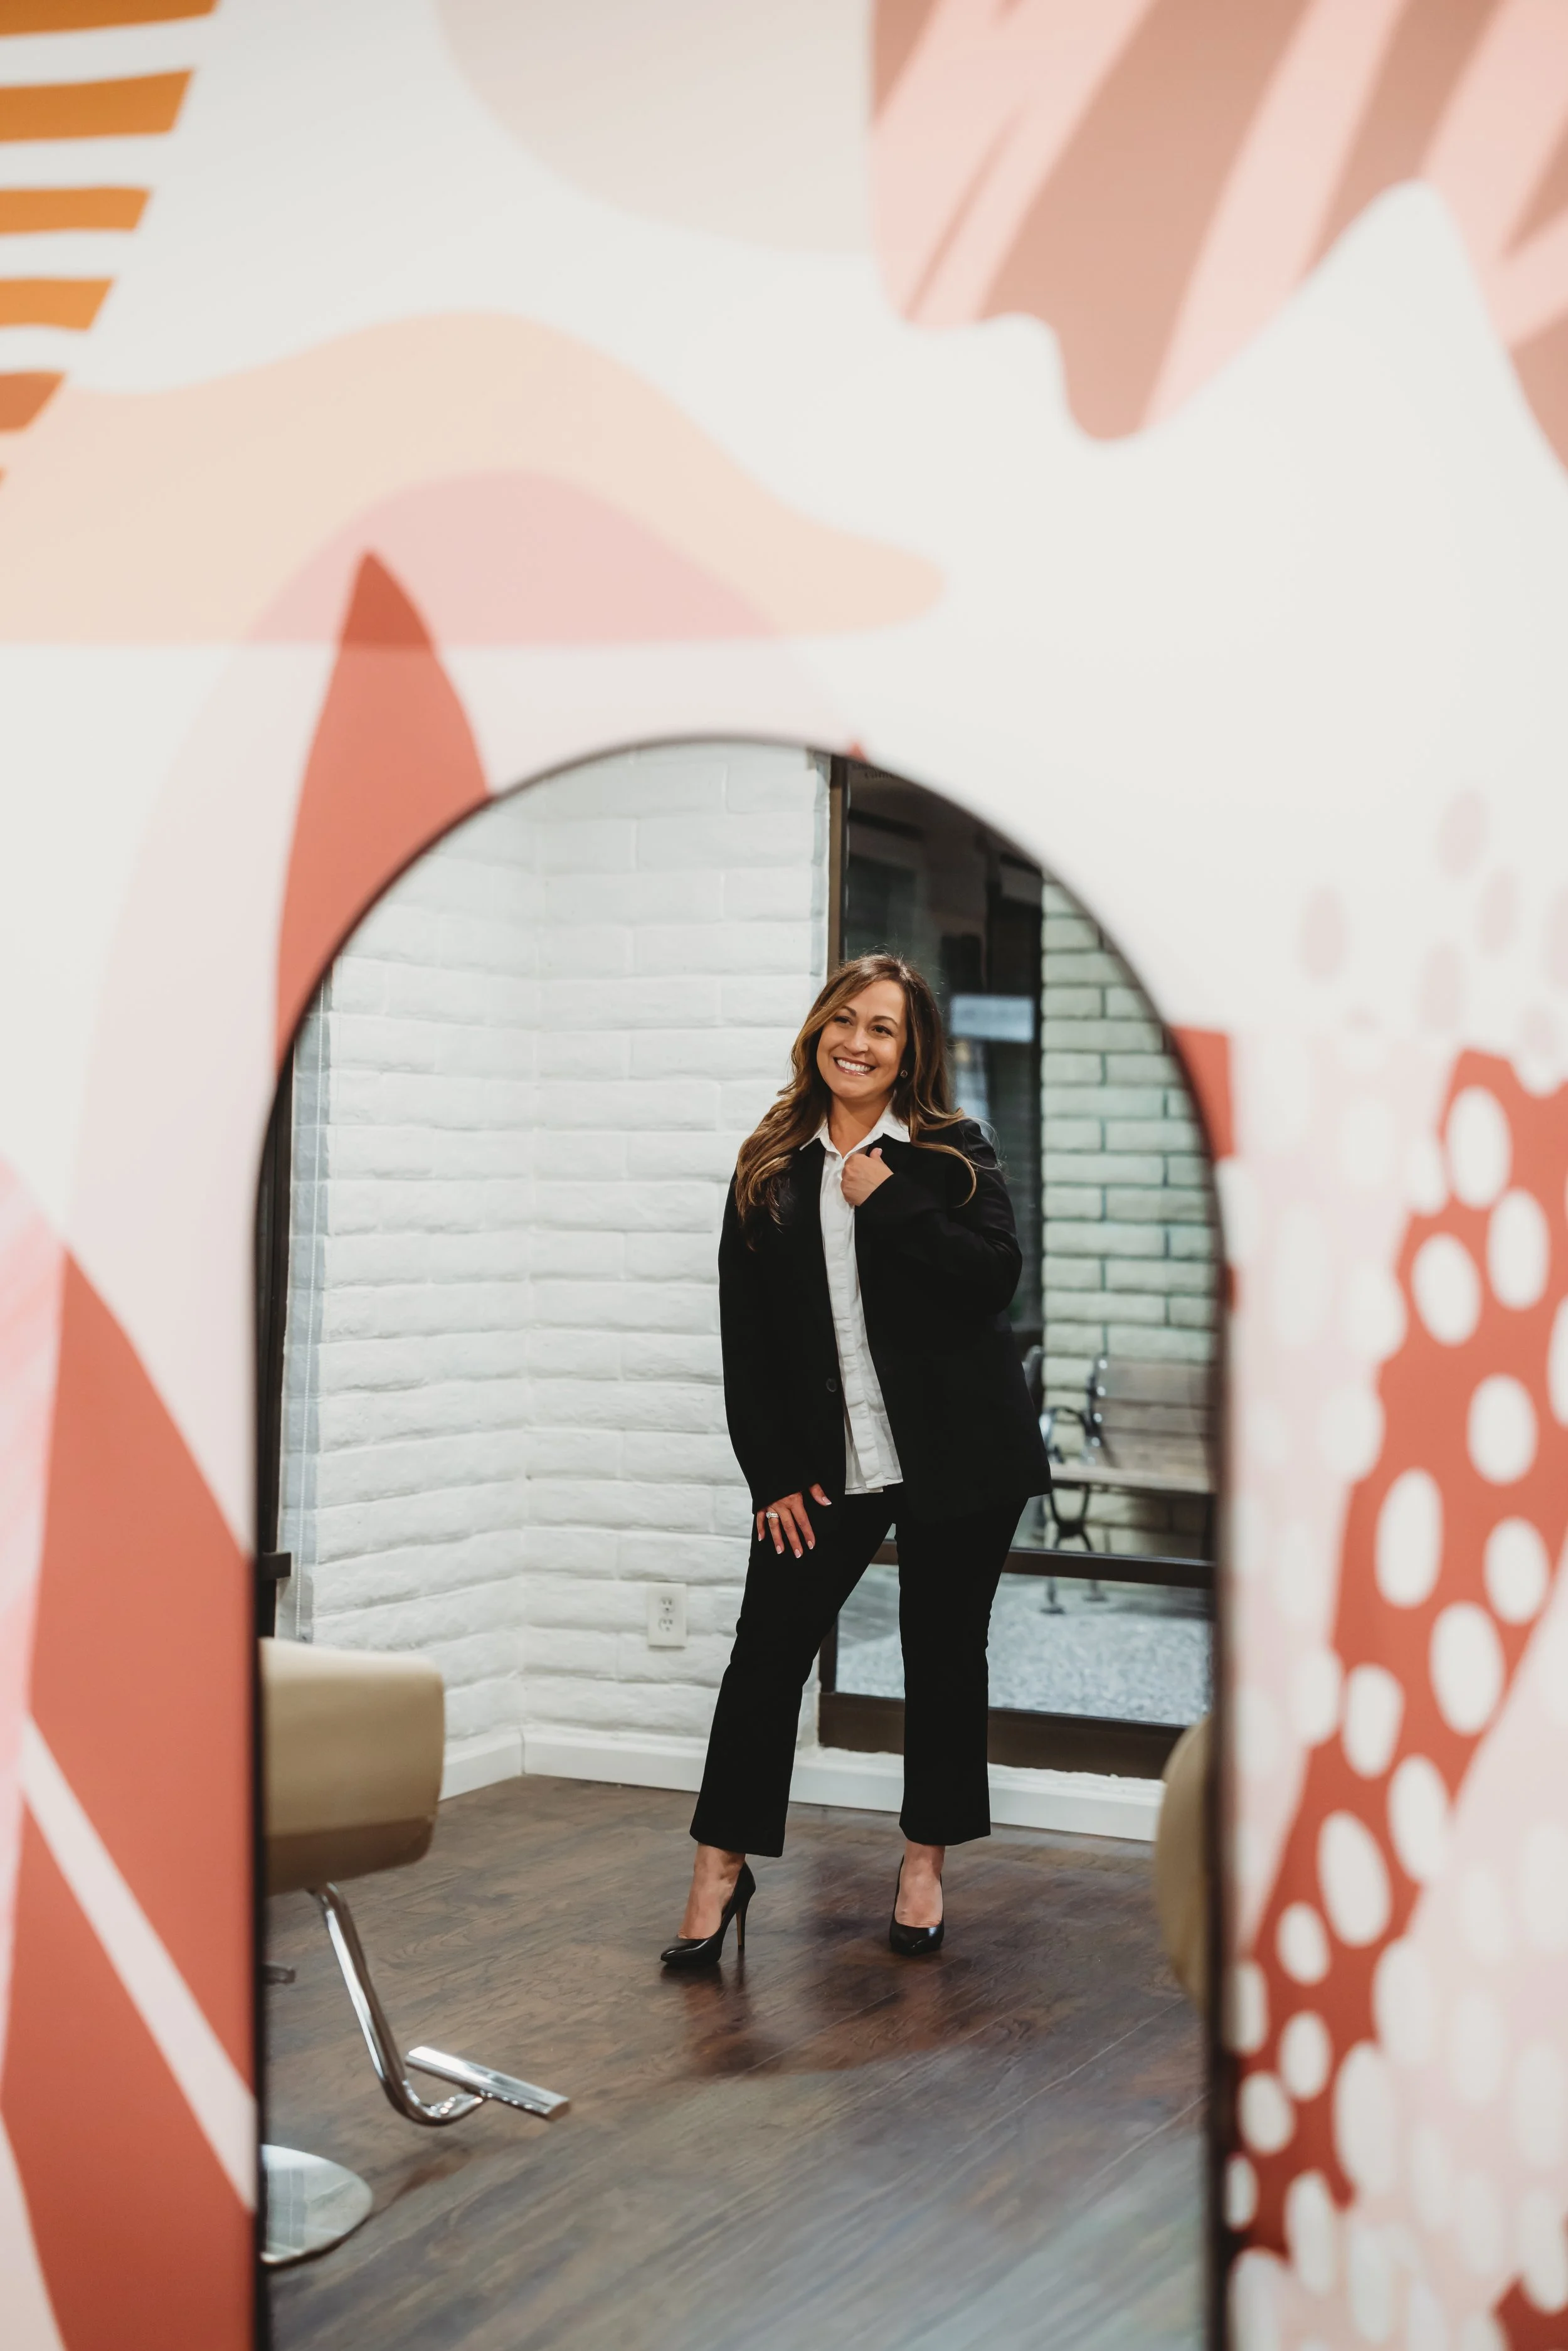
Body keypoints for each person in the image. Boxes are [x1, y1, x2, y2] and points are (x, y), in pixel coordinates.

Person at [660, 953, 1051, 1968]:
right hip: (826, 1464)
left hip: (961, 1454)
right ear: (817, 1031)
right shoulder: (768, 1162)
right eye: (844, 1018)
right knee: (766, 1658)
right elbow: (743, 1338)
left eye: (883, 1027)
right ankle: (718, 1868)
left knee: (941, 1658)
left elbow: (992, 1281)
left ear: (910, 1048)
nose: (859, 1041)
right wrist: (772, 1476)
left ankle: (924, 1865)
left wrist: (889, 1199)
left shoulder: (953, 1152)